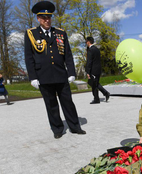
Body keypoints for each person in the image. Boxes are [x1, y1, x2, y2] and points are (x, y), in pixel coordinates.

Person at [24, 0, 85, 139]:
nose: (47, 20)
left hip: (60, 74)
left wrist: (71, 72)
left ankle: (75, 126)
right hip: (43, 76)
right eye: (44, 18)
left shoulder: (60, 33)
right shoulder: (31, 34)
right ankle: (57, 129)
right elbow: (29, 57)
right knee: (51, 105)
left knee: (68, 102)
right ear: (38, 19)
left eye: (49, 17)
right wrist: (33, 77)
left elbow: (68, 54)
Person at [85, 36, 110, 104]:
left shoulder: (91, 50)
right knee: (95, 84)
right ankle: (98, 97)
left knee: (94, 84)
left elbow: (89, 61)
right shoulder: (97, 49)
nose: (86, 43)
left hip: (93, 70)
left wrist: (88, 72)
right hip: (98, 70)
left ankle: (104, 94)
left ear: (88, 42)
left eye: (86, 42)